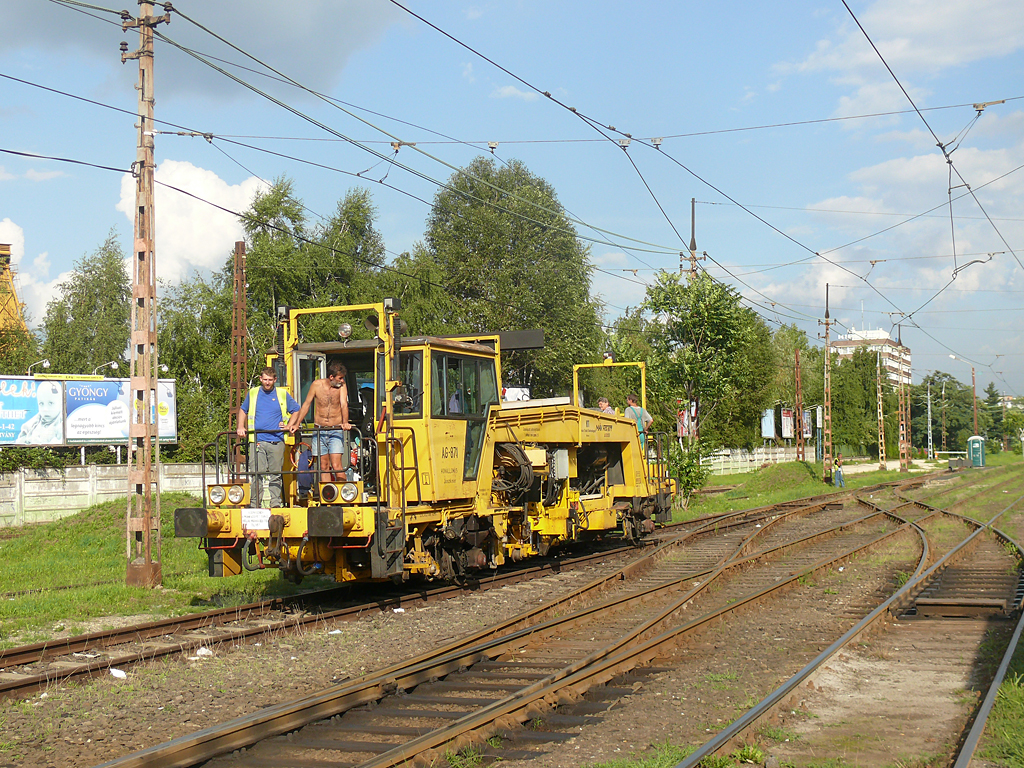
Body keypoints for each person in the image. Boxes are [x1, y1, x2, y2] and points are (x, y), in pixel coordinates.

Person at [237, 367, 300, 508]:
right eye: (265, 379)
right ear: (260, 379)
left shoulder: (282, 394)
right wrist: (241, 426)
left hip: (276, 441)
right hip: (257, 441)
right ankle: (255, 505)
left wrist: (290, 425)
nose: (267, 382)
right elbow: (243, 410)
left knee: (276, 474)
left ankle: (276, 504)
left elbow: (296, 409)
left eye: (270, 380)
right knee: (256, 474)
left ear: (275, 380)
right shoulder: (253, 393)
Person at [295, 360, 353, 486]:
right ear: (331, 377)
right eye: (340, 378)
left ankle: (344, 494)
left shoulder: (342, 387)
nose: (342, 381)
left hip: (335, 429)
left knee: (337, 464)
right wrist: (296, 423)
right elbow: (306, 404)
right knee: (323, 465)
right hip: (319, 430)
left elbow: (344, 404)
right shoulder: (316, 385)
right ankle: (327, 497)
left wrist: (345, 422)